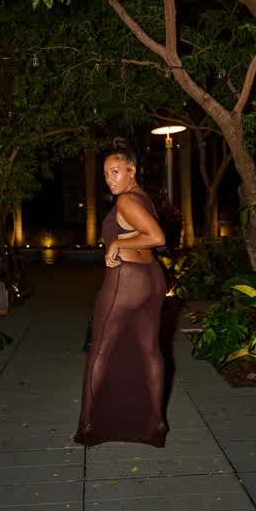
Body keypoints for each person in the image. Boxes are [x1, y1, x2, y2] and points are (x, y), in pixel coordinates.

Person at [74, 137, 168, 448]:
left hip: (126, 280)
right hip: (152, 278)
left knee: (99, 348)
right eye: (105, 174)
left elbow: (156, 236)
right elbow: (147, 235)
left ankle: (88, 425)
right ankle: (156, 423)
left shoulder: (127, 200)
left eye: (115, 172)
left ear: (132, 170)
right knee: (151, 351)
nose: (109, 179)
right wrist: (124, 240)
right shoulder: (142, 197)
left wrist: (116, 243)